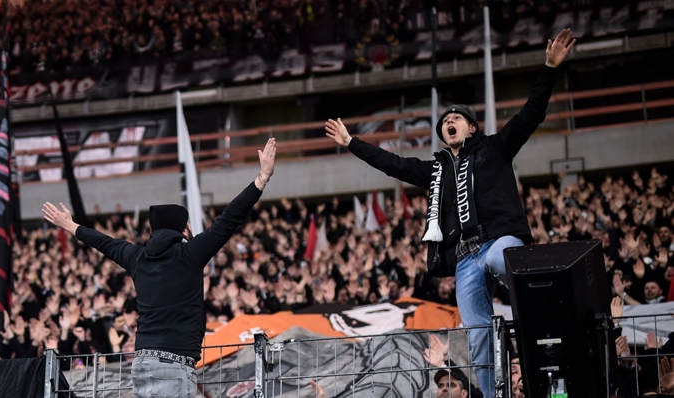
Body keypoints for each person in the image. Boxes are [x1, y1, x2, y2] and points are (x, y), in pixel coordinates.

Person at [325, 29, 575, 395]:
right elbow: (393, 164)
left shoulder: (495, 148)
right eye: (444, 121)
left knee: (500, 260)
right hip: (462, 259)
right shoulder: (436, 172)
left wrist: (550, 68)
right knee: (477, 337)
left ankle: (541, 299)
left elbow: (531, 113)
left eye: (456, 117)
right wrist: (352, 143)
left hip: (497, 240)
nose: (449, 122)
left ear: (471, 127)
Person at [41, 138, 277, 398]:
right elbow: (229, 219)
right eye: (187, 225)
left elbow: (105, 243)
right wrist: (261, 179)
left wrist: (72, 227)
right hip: (174, 365)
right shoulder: (190, 254)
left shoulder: (137, 257)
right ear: (181, 228)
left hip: (142, 362)